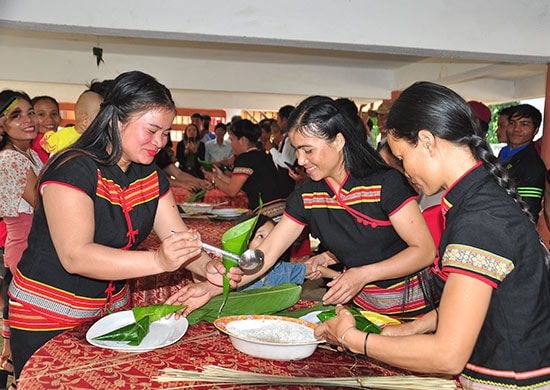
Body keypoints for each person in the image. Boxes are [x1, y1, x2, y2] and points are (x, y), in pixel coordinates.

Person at [7, 71, 241, 380]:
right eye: (152, 130)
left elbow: (178, 238)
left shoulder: (149, 175)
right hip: (48, 313)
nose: (160, 142)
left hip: (108, 314)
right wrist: (158, 260)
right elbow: (75, 255)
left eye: (166, 132)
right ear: (116, 121)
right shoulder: (71, 168)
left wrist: (207, 266)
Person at [315, 81, 550, 390]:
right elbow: (476, 302)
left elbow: (448, 355)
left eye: (401, 158)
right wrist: (415, 327)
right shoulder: (475, 200)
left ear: (426, 141)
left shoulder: (479, 218)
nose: (404, 169)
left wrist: (353, 338)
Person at [179, 96, 436, 319]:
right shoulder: (308, 194)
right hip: (361, 307)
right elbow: (267, 253)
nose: (300, 160)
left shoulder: (384, 183)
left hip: (409, 307)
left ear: (338, 141)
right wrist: (214, 288)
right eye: (297, 150)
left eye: (308, 150)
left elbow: (424, 251)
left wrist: (362, 275)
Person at [0, 90, 44, 379]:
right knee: (29, 340)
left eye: (30, 112)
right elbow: (44, 204)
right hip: (27, 252)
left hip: (28, 249)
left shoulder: (26, 154)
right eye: (17, 115)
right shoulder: (12, 160)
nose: (28, 119)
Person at [202, 119, 284, 210]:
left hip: (267, 211)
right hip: (279, 208)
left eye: (232, 140)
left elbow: (232, 190)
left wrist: (214, 178)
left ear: (243, 140)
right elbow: (237, 184)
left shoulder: (245, 158)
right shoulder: (261, 154)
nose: (231, 145)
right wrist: (219, 176)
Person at [497, 104, 546, 222]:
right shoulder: (504, 153)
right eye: (512, 123)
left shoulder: (532, 165)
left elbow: (528, 210)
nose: (516, 129)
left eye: (524, 124)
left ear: (536, 131)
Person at [39, 88, 103, 154]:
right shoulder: (63, 136)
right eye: (101, 118)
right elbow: (45, 143)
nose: (104, 121)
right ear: (85, 120)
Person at [265, 105, 297, 197]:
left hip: (289, 183)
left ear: (284, 120)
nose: (278, 123)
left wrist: (271, 149)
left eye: (278, 120)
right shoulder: (288, 137)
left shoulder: (291, 138)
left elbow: (285, 162)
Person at [30, 95, 60, 162]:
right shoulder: (27, 149)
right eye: (41, 114)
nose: (49, 119)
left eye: (54, 114)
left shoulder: (65, 142)